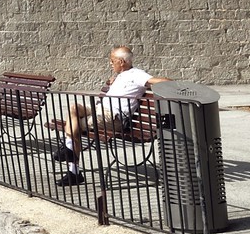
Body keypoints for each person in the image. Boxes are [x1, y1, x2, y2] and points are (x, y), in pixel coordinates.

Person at [54, 45, 167, 186]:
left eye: (112, 60)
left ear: (122, 62)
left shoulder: (137, 74)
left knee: (75, 127)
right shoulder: (121, 75)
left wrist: (175, 86)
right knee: (74, 108)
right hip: (100, 110)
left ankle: (73, 169)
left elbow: (160, 81)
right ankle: (69, 149)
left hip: (113, 117)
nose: (110, 63)